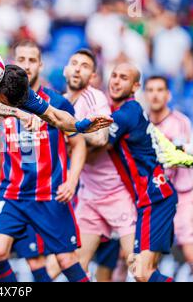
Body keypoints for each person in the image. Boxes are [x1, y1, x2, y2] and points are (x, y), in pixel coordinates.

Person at [0, 40, 89, 283]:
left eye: (32, 60)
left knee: (65, 260)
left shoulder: (57, 102)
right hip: (13, 195)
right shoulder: (0, 102)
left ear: (41, 65)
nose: (27, 66)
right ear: (13, 62)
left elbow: (78, 144)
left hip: (49, 195)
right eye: (21, 60)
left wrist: (71, 182)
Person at [63, 49, 137, 277]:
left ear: (93, 75)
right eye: (74, 63)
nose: (77, 68)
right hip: (89, 196)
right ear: (65, 69)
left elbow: (101, 137)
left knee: (138, 267)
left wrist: (71, 131)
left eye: (84, 65)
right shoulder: (59, 103)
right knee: (78, 265)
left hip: (117, 193)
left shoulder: (95, 98)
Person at [106, 63, 177, 282]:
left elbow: (100, 142)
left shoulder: (126, 113)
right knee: (145, 272)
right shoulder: (130, 111)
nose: (117, 81)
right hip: (156, 196)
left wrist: (73, 128)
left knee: (141, 272)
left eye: (124, 78)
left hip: (154, 198)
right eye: (114, 76)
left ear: (136, 86)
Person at [145, 76, 193, 282]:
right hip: (153, 200)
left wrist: (181, 156)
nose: (155, 94)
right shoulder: (140, 123)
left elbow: (181, 157)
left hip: (181, 197)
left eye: (160, 89)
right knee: (138, 259)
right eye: (151, 90)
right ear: (144, 94)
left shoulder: (180, 122)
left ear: (168, 94)